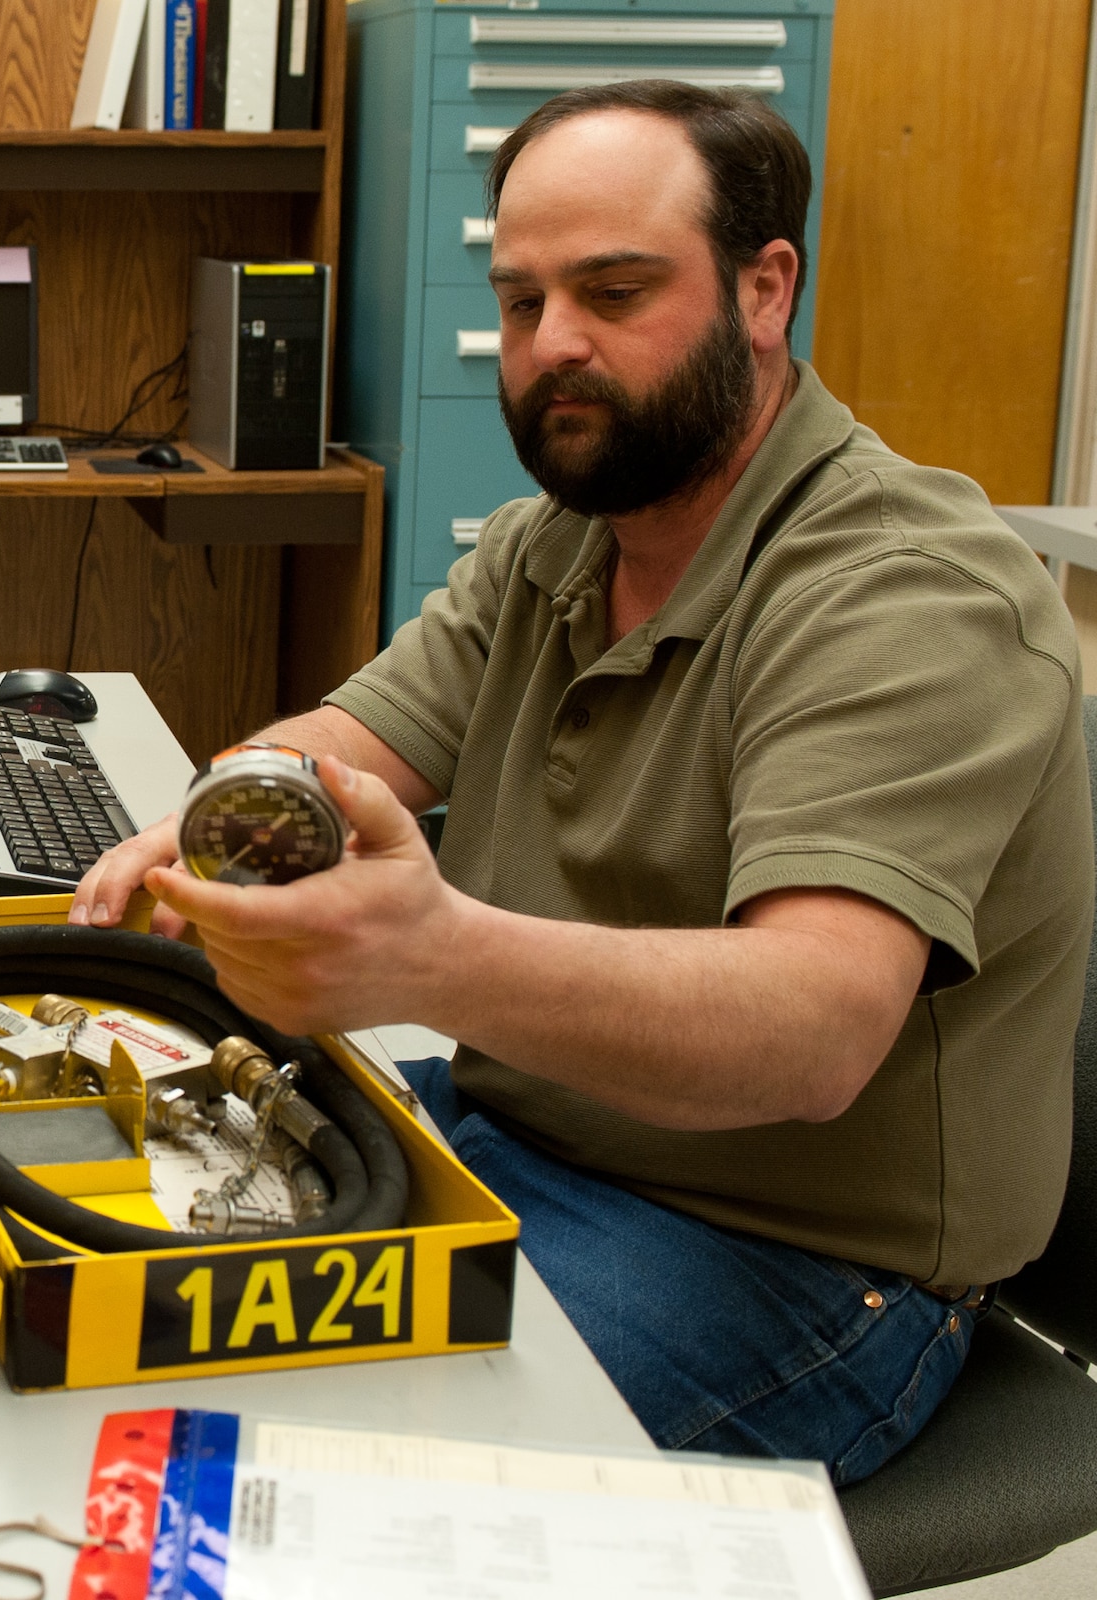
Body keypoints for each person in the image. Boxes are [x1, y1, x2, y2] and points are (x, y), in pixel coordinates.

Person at [71, 81, 1094, 1485]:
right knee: (94, 1277)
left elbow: (814, 1030)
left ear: (764, 289)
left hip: (785, 1258)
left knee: (280, 1478)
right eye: (523, 300)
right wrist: (221, 813)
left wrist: (429, 957)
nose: (553, 343)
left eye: (614, 292)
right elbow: (354, 737)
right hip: (511, 1133)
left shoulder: (905, 592)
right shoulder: (553, 542)